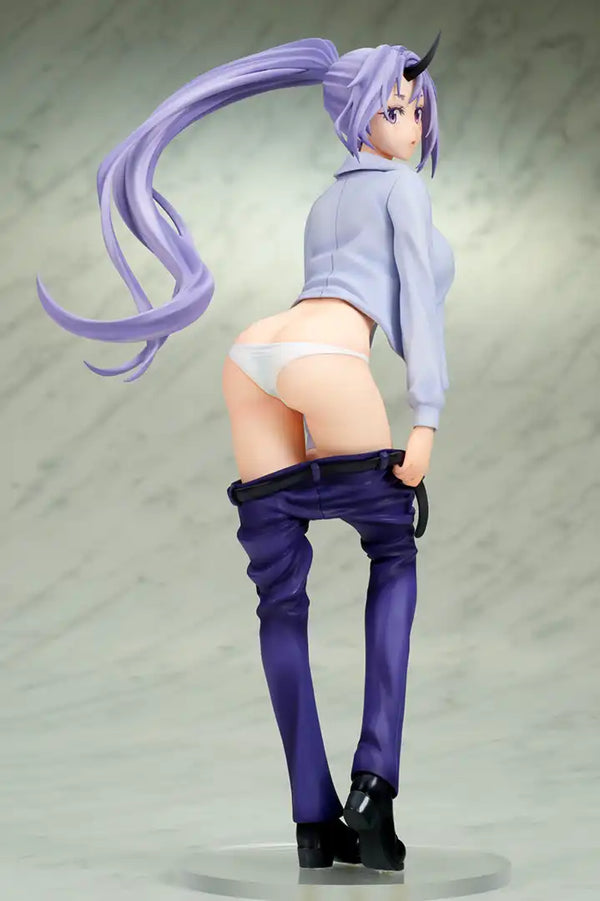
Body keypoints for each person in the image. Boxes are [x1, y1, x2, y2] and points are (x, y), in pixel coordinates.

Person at [35, 34, 455, 872]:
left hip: (255, 353)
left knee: (279, 600)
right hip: (326, 357)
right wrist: (426, 417)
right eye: (394, 109)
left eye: (414, 110)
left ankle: (312, 818)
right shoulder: (402, 189)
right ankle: (373, 786)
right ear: (358, 116)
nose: (410, 125)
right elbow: (414, 296)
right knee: (393, 550)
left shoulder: (325, 203)